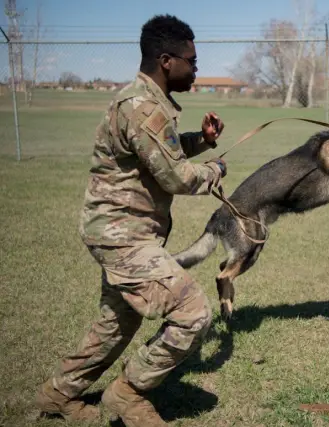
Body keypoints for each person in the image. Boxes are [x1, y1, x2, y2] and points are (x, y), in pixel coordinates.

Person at [35, 14, 226, 427]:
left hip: (121, 231)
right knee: (193, 313)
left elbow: (163, 153)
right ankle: (128, 393)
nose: (196, 69)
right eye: (191, 61)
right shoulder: (142, 107)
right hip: (123, 236)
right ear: (165, 61)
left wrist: (202, 141)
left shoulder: (147, 104)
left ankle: (58, 393)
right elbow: (176, 176)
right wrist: (216, 170)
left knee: (117, 322)